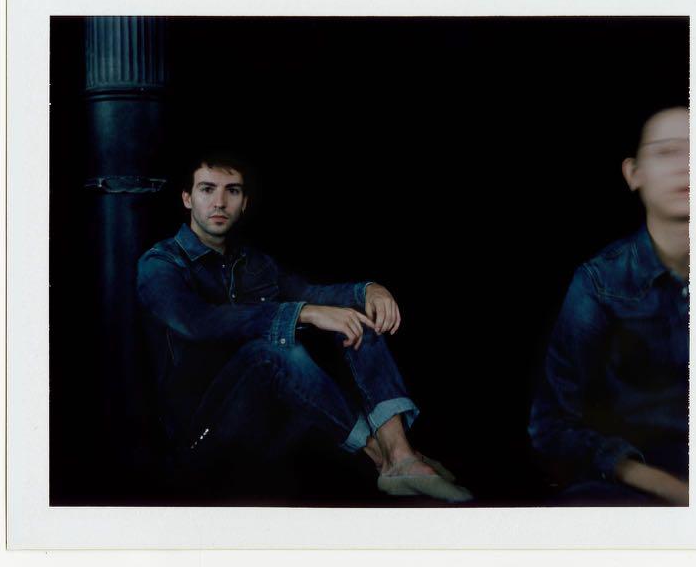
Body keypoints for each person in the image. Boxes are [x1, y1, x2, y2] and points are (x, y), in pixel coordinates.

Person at [136, 151, 472, 502]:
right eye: (207, 189)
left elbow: (311, 294)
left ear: (244, 202)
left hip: (266, 421)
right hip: (199, 435)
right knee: (276, 350)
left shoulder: (253, 262)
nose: (219, 202)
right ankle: (380, 457)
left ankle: (401, 456)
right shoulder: (160, 264)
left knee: (355, 318)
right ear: (187, 198)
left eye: (232, 191)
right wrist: (304, 313)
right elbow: (199, 322)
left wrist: (368, 291)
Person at [528, 107, 690, 506]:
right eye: (667, 151)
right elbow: (551, 427)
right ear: (634, 173)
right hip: (637, 486)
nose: (687, 166)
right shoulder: (601, 282)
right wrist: (671, 489)